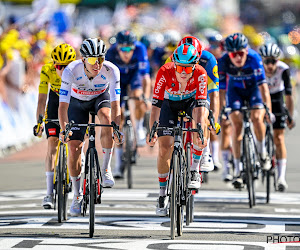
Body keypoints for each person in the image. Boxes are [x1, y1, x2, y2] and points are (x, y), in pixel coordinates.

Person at [58, 38, 122, 216]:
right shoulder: (71, 70)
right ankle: (77, 195)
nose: (98, 64)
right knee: (74, 147)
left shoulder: (111, 70)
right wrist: (65, 129)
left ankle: (106, 168)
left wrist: (117, 127)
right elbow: (62, 107)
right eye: (93, 60)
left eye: (101, 59)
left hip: (100, 99)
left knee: (107, 118)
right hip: (77, 103)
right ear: (84, 59)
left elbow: (116, 105)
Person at [147, 44, 208, 216]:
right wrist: (153, 129)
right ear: (174, 64)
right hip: (169, 104)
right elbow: (156, 106)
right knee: (165, 147)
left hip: (191, 102)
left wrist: (200, 128)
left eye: (188, 69)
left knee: (202, 124)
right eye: (180, 67)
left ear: (195, 66)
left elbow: (201, 105)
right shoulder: (164, 71)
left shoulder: (201, 73)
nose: (183, 72)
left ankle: (195, 170)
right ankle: (161, 194)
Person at [219, 33, 272, 188]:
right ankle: (237, 168)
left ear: (246, 51)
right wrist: (222, 109)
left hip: (254, 90)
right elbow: (221, 90)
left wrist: (267, 108)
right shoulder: (223, 62)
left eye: (241, 53)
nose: (238, 58)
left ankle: (262, 153)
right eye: (234, 54)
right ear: (228, 54)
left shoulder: (254, 58)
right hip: (234, 92)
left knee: (257, 118)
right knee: (236, 123)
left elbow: (263, 87)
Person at [165, 35, 220, 172]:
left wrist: (214, 120)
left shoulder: (208, 60)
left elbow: (214, 93)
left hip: (201, 90)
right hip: (181, 90)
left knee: (203, 115)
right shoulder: (171, 59)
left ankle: (206, 153)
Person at [33, 43, 76, 209]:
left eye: (66, 66)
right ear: (53, 64)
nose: (62, 70)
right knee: (52, 144)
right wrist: (39, 121)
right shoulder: (47, 70)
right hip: (55, 101)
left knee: (75, 142)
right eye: (58, 66)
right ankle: (49, 193)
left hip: (73, 102)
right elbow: (42, 99)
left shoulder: (78, 70)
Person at [106, 30, 151, 178]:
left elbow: (146, 78)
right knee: (118, 121)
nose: (126, 52)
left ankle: (138, 128)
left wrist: (145, 97)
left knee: (137, 96)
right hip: (118, 80)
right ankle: (118, 165)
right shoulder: (110, 54)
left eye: (129, 48)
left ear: (134, 46)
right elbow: (106, 81)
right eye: (123, 49)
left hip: (134, 76)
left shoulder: (140, 49)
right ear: (117, 47)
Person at [259, 43, 295, 191]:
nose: (270, 65)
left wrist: (290, 116)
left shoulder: (283, 69)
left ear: (277, 60)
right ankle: (258, 154)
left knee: (279, 138)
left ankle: (281, 177)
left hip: (277, 99)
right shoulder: (257, 69)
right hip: (261, 98)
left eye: (273, 61)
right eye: (266, 61)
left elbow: (289, 96)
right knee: (257, 125)